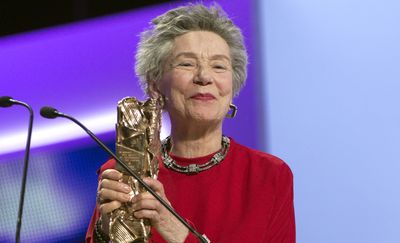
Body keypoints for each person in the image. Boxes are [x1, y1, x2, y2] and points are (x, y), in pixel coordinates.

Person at [86, 3, 295, 243]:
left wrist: (173, 229)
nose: (204, 77)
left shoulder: (269, 176)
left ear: (232, 88)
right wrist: (107, 229)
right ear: (155, 85)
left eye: (218, 66)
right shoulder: (124, 170)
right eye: (186, 63)